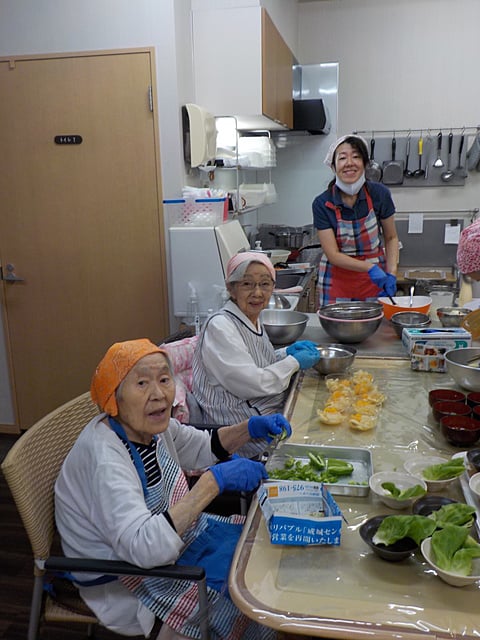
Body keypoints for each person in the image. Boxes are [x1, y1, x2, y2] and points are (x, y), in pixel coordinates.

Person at [55, 338, 292, 640]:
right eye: (141, 383)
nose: (159, 394)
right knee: (251, 600)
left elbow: (200, 446)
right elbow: (144, 549)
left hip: (174, 542)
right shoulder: (106, 458)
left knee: (263, 553)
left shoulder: (148, 426)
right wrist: (212, 483)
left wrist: (248, 428)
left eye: (164, 380)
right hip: (126, 578)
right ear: (114, 398)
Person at [192, 252, 319, 457]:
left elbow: (252, 362)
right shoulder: (221, 326)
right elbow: (252, 383)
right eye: (247, 284)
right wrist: (293, 362)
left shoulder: (250, 317)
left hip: (261, 411)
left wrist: (285, 353)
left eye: (265, 284)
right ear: (231, 288)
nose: (258, 293)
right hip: (239, 431)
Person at [312, 134, 400, 306]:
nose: (349, 163)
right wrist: (369, 268)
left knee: (375, 329)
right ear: (333, 166)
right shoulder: (322, 203)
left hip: (374, 281)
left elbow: (391, 238)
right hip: (337, 279)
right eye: (343, 158)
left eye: (356, 157)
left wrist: (392, 273)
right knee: (336, 329)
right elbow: (333, 255)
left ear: (365, 164)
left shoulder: (379, 194)